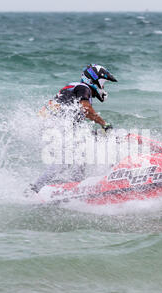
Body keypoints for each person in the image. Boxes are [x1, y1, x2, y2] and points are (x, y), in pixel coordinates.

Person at [26, 64, 118, 195]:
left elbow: (74, 120)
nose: (103, 88)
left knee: (80, 153)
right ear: (95, 80)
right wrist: (104, 124)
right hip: (52, 126)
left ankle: (76, 186)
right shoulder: (83, 88)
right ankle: (34, 190)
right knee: (65, 160)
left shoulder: (78, 89)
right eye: (104, 84)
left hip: (51, 125)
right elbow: (86, 110)